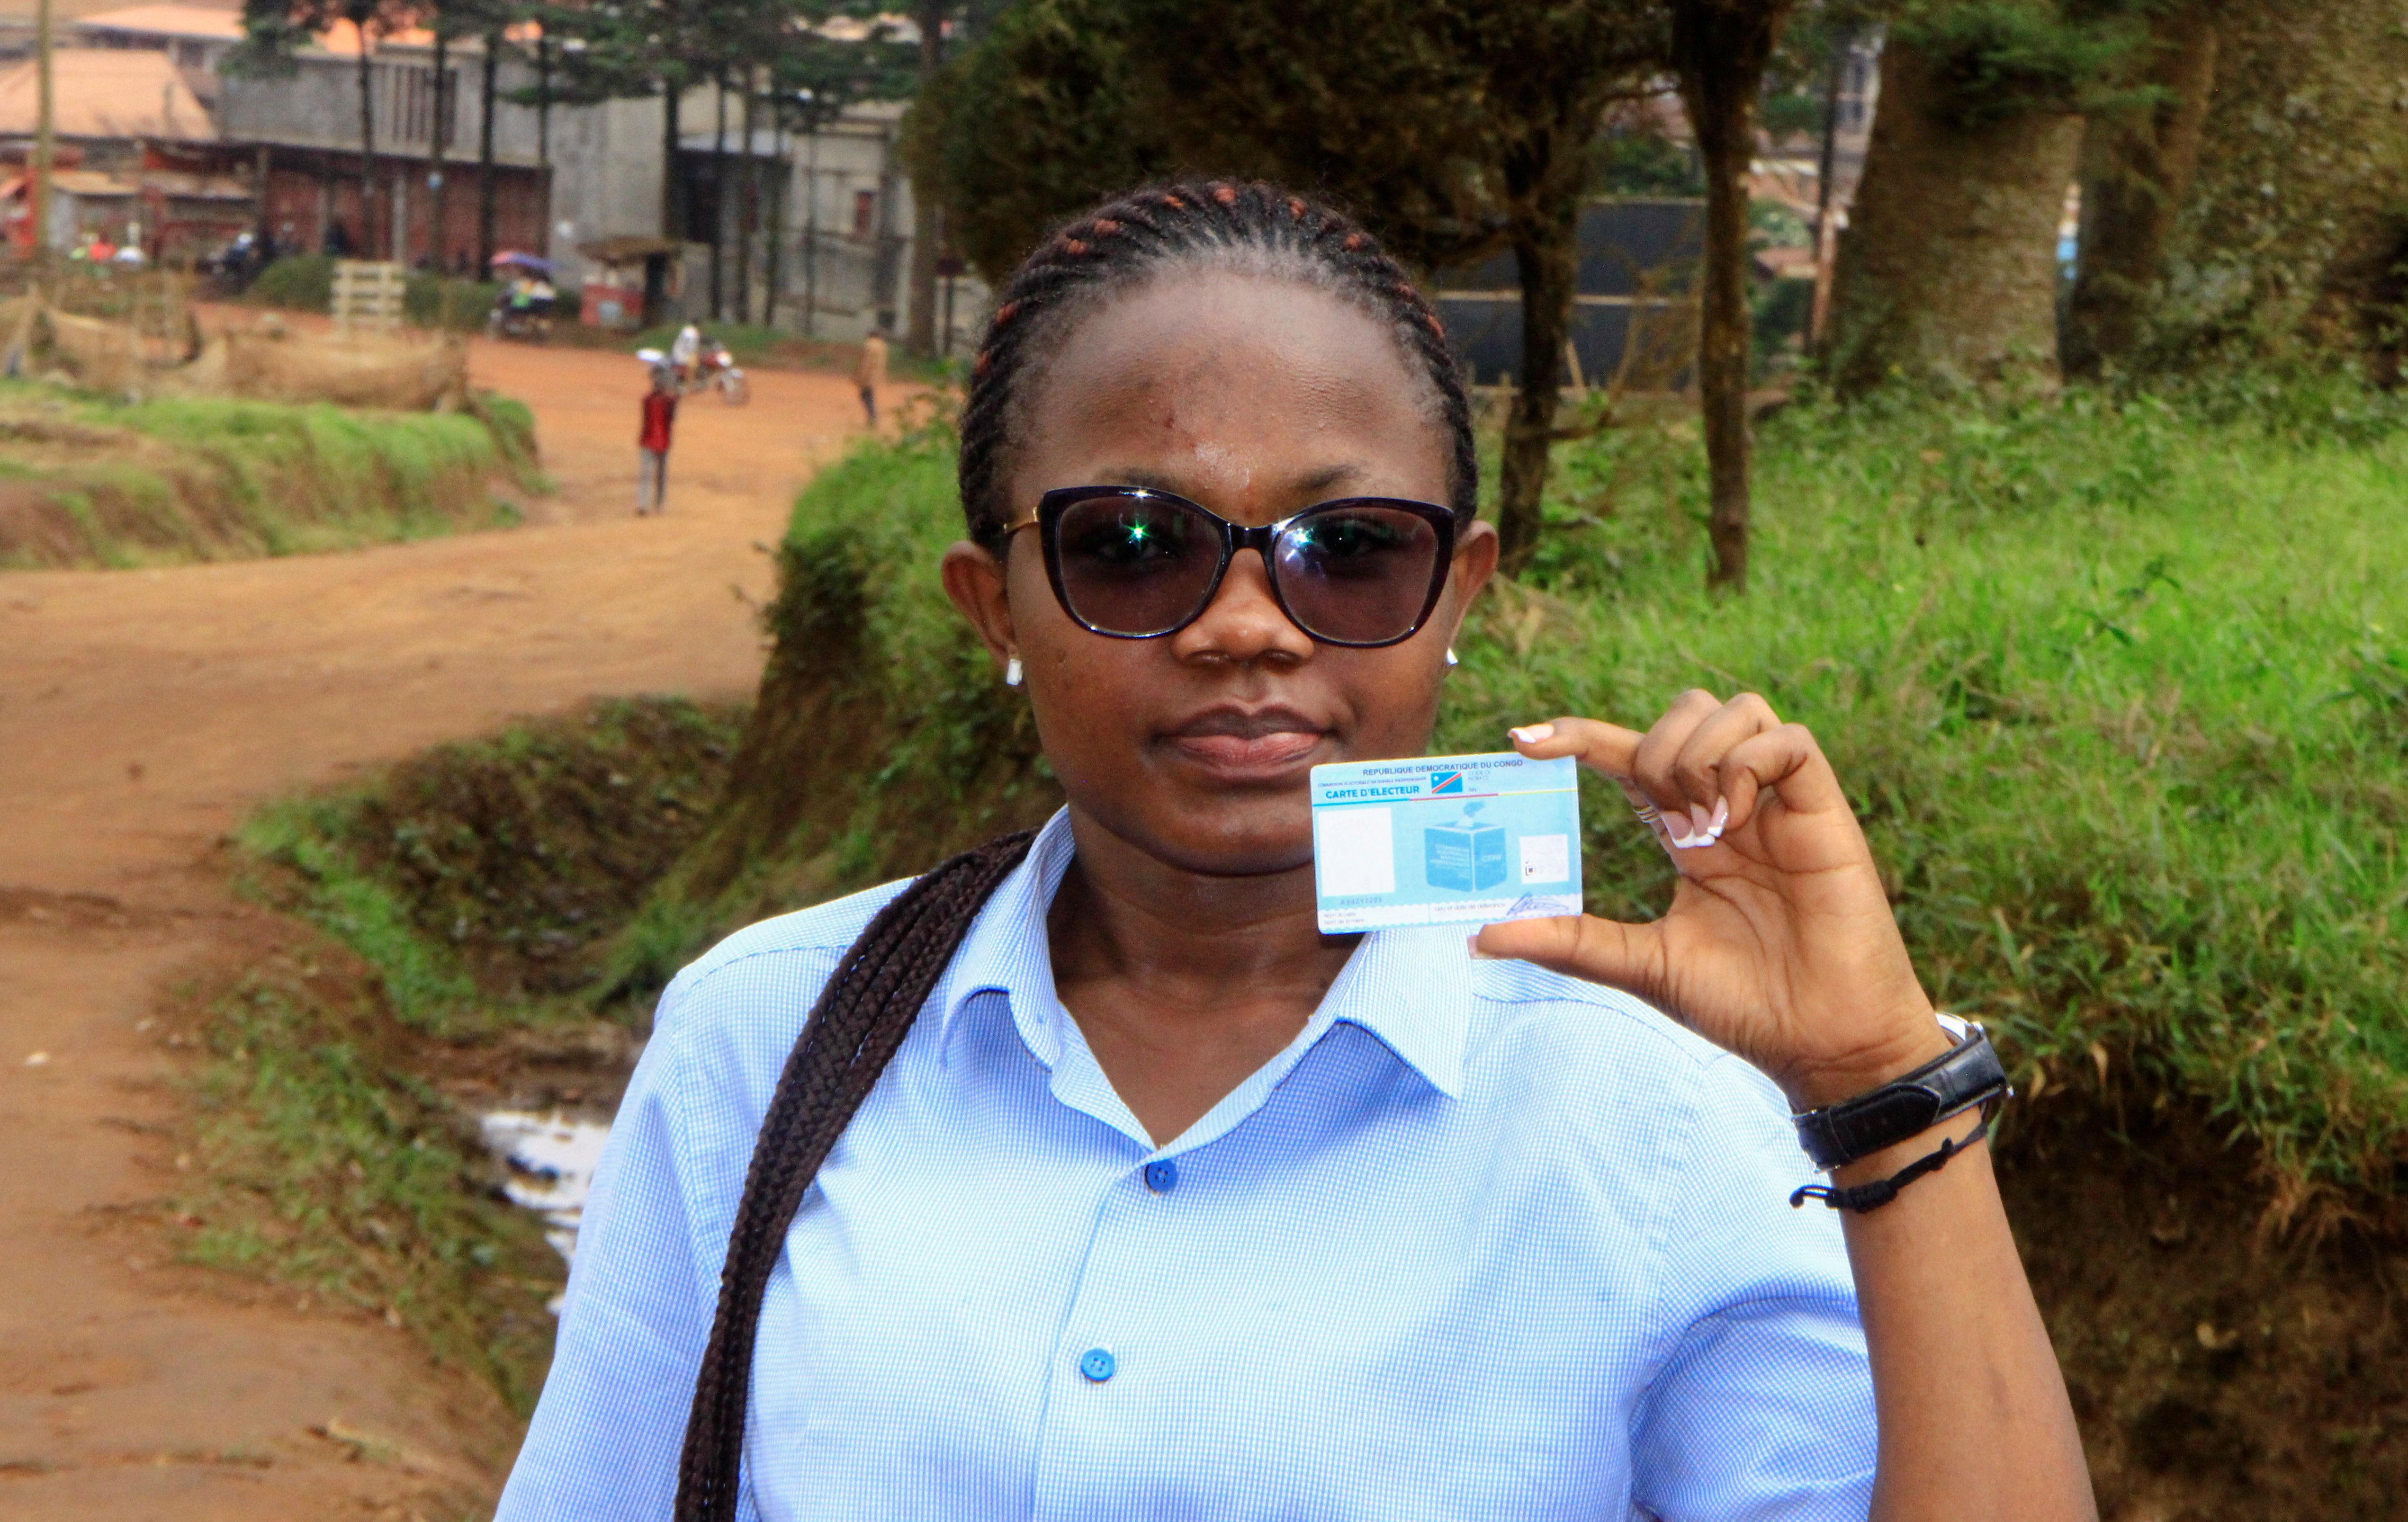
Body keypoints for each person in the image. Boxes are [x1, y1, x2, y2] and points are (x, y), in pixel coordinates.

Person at [499, 181, 2094, 1522]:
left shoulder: (1654, 1119)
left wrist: (1887, 1083)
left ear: (1456, 593)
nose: (1246, 624)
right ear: (996, 607)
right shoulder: (768, 1042)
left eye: (1351, 550)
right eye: (1132, 545)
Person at [636, 365, 676, 516]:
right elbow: (671, 420)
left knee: (655, 475)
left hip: (655, 441)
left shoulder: (650, 400)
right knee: (653, 475)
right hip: (657, 441)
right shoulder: (666, 401)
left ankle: (651, 504)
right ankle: (647, 505)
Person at [854, 315, 890, 427]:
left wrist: (860, 377)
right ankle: (872, 418)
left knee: (866, 396)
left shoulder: (869, 345)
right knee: (869, 396)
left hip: (868, 375)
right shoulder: (882, 346)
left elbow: (866, 363)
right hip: (878, 375)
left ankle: (872, 419)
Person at [670, 322, 703, 389]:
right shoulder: (694, 334)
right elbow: (691, 348)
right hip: (684, 355)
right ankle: (691, 384)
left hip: (676, 353)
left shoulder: (686, 330)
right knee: (695, 366)